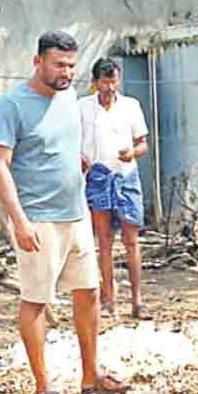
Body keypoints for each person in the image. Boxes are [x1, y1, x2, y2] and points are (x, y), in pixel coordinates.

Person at [0, 31, 130, 394]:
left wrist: (78, 163)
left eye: (71, 65)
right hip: (38, 218)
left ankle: (90, 375)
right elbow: (0, 165)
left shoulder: (69, 99)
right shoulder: (12, 105)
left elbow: (61, 146)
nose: (66, 71)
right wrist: (18, 221)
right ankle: (42, 387)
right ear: (38, 61)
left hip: (76, 213)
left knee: (89, 292)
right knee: (36, 300)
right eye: (59, 64)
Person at [79, 57, 151, 320]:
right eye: (105, 82)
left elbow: (143, 144)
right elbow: (73, 142)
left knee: (131, 240)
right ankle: (109, 302)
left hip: (126, 177)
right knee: (104, 241)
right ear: (95, 82)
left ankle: (137, 301)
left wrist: (133, 152)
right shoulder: (82, 107)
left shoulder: (131, 106)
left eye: (114, 81)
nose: (110, 87)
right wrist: (79, 157)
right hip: (97, 178)